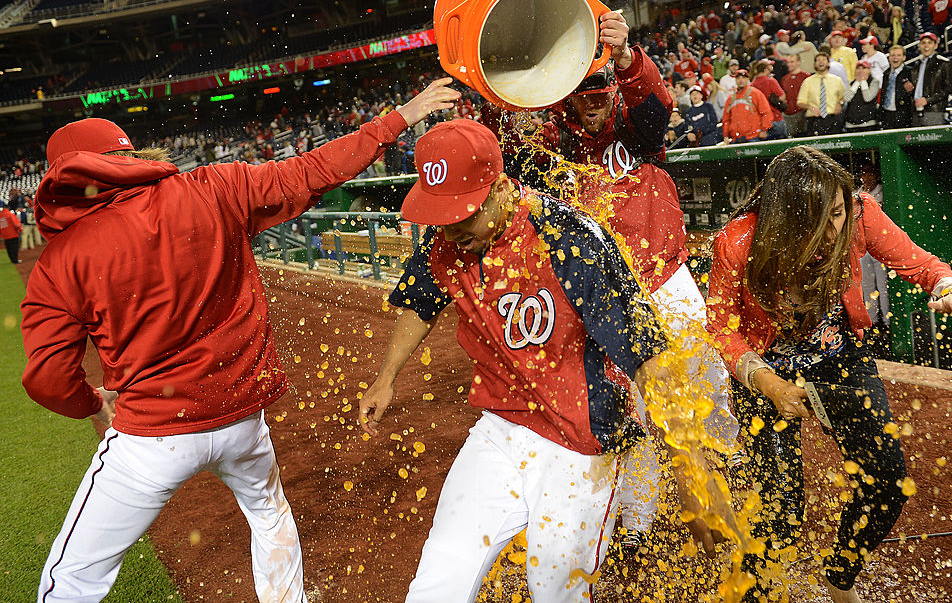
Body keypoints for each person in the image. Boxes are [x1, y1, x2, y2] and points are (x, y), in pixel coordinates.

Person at [19, 81, 460, 603]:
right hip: (241, 418)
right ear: (128, 154)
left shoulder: (61, 259)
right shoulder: (211, 186)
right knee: (270, 517)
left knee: (73, 576)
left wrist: (92, 400)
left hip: (151, 436)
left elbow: (49, 378)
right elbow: (316, 170)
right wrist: (399, 117)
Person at [359, 120, 733, 603]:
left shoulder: (569, 240)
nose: (451, 229)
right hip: (501, 427)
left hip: (581, 442)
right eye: (441, 216)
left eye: (463, 214)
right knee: (437, 581)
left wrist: (692, 475)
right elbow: (422, 299)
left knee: (554, 593)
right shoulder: (449, 239)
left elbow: (648, 359)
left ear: (499, 188)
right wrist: (386, 378)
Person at [706, 146, 952, 603]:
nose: (833, 232)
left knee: (887, 482)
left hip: (839, 359)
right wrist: (769, 385)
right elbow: (720, 328)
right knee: (780, 516)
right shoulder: (736, 242)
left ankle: (839, 575)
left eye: (837, 215)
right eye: (817, 219)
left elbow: (920, 263)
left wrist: (949, 289)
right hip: (765, 371)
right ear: (784, 218)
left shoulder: (858, 212)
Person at [857, 163, 888, 329]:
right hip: (864, 246)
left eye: (871, 175)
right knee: (867, 286)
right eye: (864, 174)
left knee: (883, 287)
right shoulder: (858, 193)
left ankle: (888, 323)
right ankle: (873, 322)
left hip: (881, 244)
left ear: (876, 176)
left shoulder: (883, 191)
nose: (867, 178)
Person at [911, 32, 952, 126]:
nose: (926, 46)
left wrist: (928, 100)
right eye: (923, 43)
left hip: (934, 111)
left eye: (929, 42)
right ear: (919, 46)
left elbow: (948, 89)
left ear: (935, 46)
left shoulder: (944, 63)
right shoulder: (916, 65)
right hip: (915, 111)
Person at [797, 53, 846, 136]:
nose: (821, 62)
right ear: (814, 64)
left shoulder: (837, 80)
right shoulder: (807, 81)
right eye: (818, 60)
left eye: (823, 60)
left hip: (833, 119)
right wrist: (810, 107)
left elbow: (845, 96)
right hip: (814, 120)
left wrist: (840, 104)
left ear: (828, 63)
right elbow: (800, 102)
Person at [722, 68, 773, 143]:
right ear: (735, 80)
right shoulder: (731, 97)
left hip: (753, 136)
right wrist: (725, 135)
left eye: (743, 78)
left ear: (747, 79)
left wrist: (764, 129)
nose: (741, 80)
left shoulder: (755, 93)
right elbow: (726, 118)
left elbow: (766, 112)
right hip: (735, 138)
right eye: (738, 78)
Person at [879, 44, 915, 129]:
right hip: (887, 115)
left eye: (899, 55)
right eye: (893, 55)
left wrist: (910, 91)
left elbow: (914, 93)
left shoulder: (910, 72)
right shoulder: (886, 73)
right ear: (889, 58)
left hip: (903, 115)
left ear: (904, 57)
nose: (895, 58)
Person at [750, 59, 789, 139]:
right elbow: (782, 97)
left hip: (761, 122)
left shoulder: (752, 84)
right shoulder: (770, 81)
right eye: (769, 67)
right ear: (765, 69)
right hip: (775, 118)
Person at [843, 61, 881, 132]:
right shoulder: (851, 83)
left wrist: (863, 82)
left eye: (864, 68)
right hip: (851, 124)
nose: (860, 71)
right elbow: (847, 98)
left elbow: (867, 98)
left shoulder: (874, 82)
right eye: (858, 68)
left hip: (869, 124)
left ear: (869, 70)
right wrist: (857, 83)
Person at [780, 54, 810, 137]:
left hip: (802, 113)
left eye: (792, 62)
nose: (789, 64)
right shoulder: (785, 78)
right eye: (788, 62)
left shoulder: (806, 76)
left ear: (798, 62)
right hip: (788, 114)